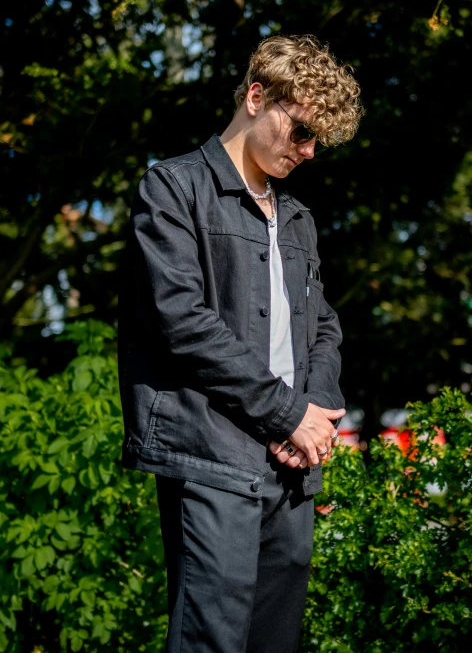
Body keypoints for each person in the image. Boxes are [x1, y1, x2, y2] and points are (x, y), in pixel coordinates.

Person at [118, 34, 362, 653]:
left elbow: (324, 326)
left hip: (292, 468)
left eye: (318, 143)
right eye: (302, 131)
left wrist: (317, 411)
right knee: (212, 640)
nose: (308, 152)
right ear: (257, 96)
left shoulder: (298, 219)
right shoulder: (173, 190)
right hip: (212, 452)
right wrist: (285, 414)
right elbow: (181, 321)